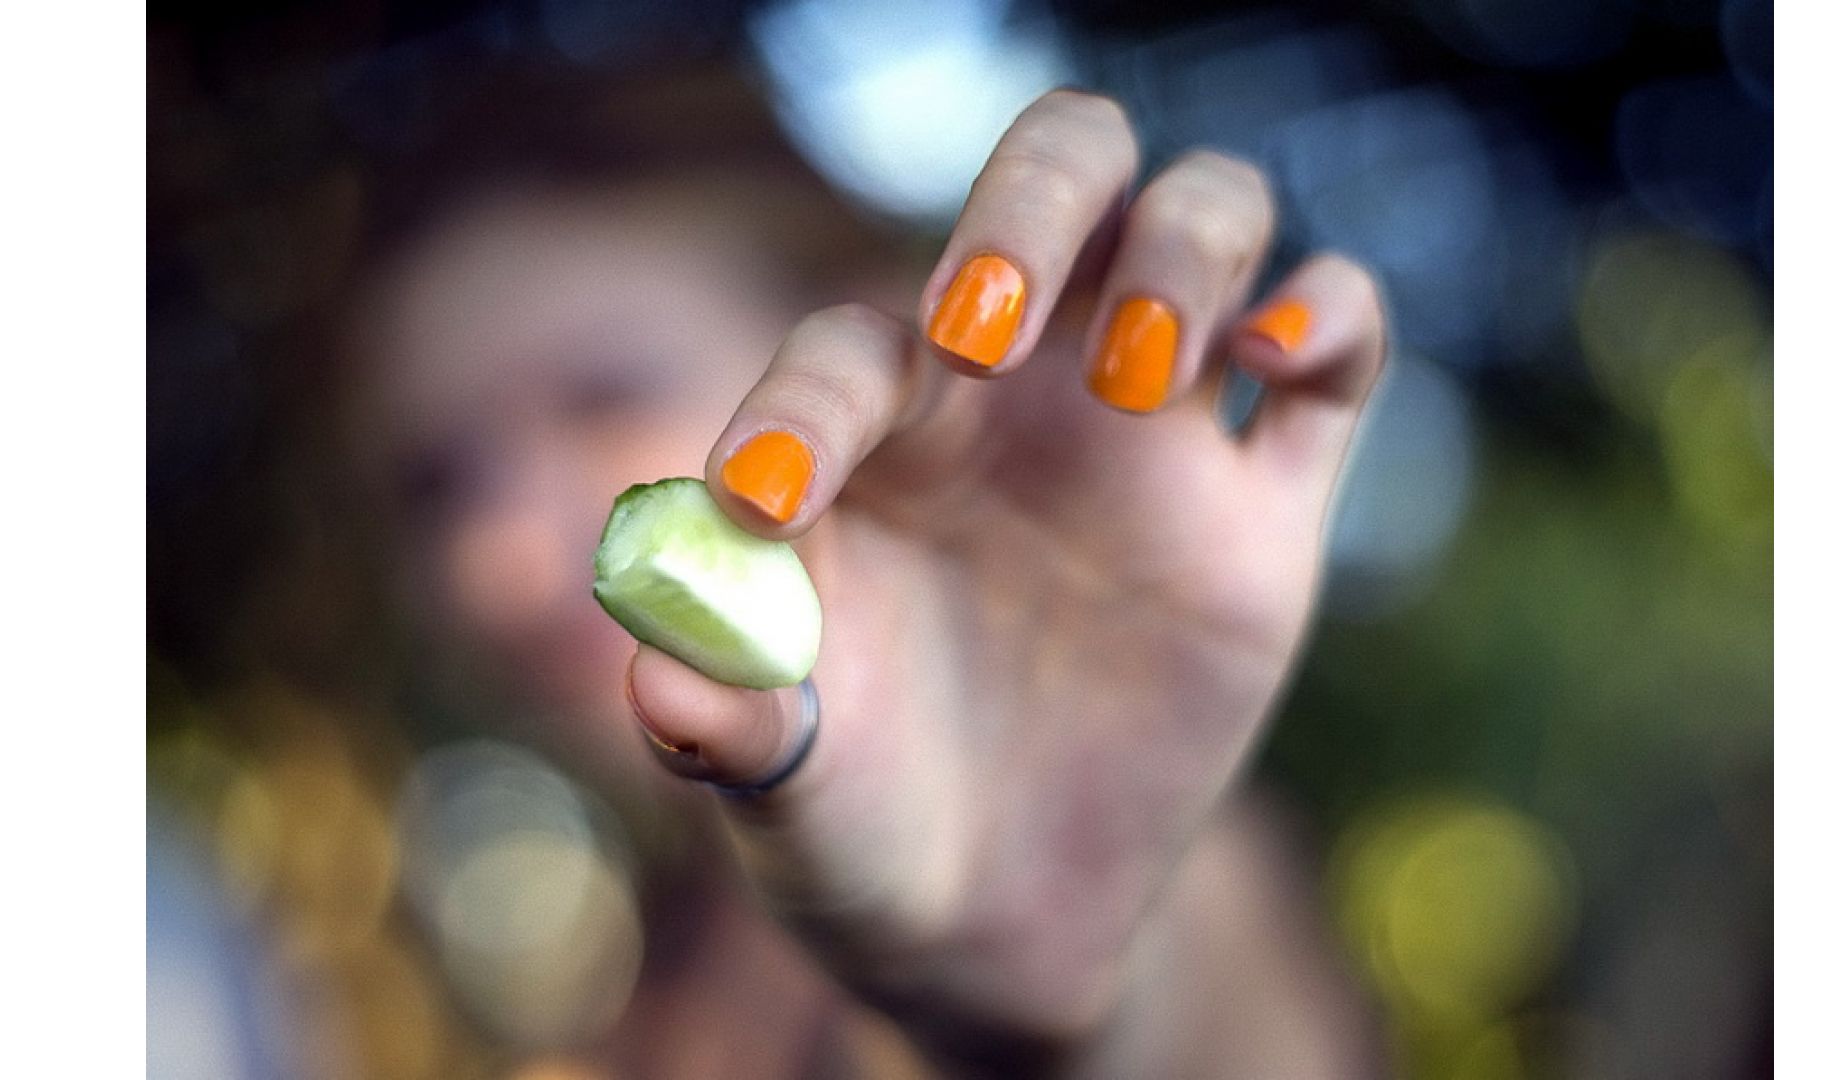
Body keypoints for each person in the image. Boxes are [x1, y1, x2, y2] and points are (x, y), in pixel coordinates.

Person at [350, 66, 1388, 1077]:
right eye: (438, 485)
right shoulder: (648, 986)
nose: (501, 563)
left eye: (604, 394)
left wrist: (1064, 998)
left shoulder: (1157, 859)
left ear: (873, 350)